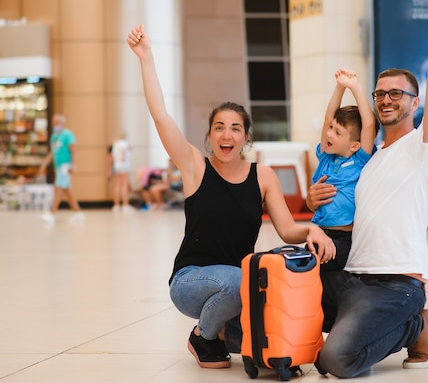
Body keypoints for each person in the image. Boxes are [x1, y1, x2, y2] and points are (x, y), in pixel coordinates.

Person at [127, 25, 335, 370]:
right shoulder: (195, 167)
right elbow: (161, 116)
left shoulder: (262, 175)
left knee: (259, 283)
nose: (227, 134)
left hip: (236, 287)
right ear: (209, 135)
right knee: (244, 276)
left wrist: (314, 230)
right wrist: (146, 58)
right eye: (219, 127)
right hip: (192, 280)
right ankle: (202, 336)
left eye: (235, 127)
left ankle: (226, 332)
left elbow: (286, 229)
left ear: (246, 137)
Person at [305, 0, 428, 377]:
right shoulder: (368, 156)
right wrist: (313, 206)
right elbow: (345, 206)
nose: (386, 98)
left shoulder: (423, 146)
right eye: (380, 92)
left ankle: (416, 325)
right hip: (349, 275)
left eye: (397, 93)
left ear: (415, 101)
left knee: (335, 360)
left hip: (397, 284)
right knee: (279, 275)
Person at [310, 68, 376, 271]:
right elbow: (329, 117)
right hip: (320, 231)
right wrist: (340, 87)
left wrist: (355, 87)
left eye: (337, 132)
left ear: (354, 145)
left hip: (345, 237)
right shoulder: (325, 156)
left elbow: (369, 125)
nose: (329, 133)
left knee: (325, 269)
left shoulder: (359, 160)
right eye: (331, 129)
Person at [39, 114, 85, 224]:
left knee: (58, 187)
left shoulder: (68, 135)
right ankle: (78, 212)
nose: (55, 124)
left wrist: (74, 165)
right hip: (57, 166)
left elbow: (74, 150)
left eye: (57, 122)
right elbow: (53, 152)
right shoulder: (54, 136)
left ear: (62, 123)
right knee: (67, 189)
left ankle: (51, 213)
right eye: (53, 122)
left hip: (65, 166)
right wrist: (45, 163)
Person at [109, 132, 135, 212]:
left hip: (116, 166)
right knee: (124, 185)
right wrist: (123, 158)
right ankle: (125, 205)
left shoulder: (115, 144)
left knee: (117, 185)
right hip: (124, 165)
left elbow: (112, 157)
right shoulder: (124, 143)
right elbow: (127, 149)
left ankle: (116, 206)